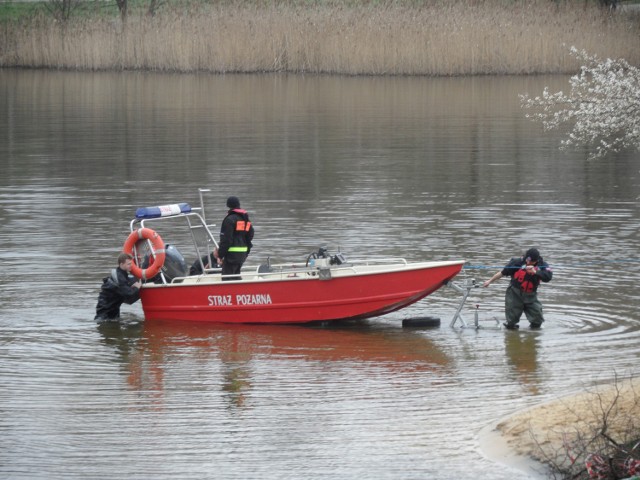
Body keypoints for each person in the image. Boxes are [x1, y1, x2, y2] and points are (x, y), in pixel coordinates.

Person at [483, 248, 553, 330]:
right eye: (527, 260)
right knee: (511, 322)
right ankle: (511, 333)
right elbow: (502, 273)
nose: (528, 263)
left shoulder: (543, 265)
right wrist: (489, 281)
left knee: (537, 320)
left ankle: (533, 334)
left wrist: (535, 272)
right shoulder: (517, 262)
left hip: (531, 295)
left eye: (532, 262)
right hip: (514, 293)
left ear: (537, 260)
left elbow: (548, 277)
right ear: (526, 257)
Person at [95, 253, 142, 322]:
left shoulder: (123, 274)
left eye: (131, 263)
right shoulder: (119, 277)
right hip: (104, 313)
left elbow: (128, 284)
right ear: (121, 264)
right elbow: (129, 294)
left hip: (114, 310)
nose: (131, 266)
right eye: (128, 264)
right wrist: (137, 287)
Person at [216, 196, 254, 280]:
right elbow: (251, 235)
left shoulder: (229, 219)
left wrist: (220, 255)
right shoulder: (245, 219)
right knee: (236, 277)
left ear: (228, 205)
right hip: (242, 254)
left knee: (227, 279)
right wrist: (245, 249)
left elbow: (226, 240)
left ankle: (229, 293)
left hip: (231, 255)